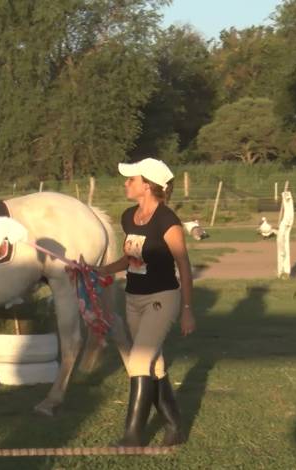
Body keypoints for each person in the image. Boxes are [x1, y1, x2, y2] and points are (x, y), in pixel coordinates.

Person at [98, 157, 196, 447]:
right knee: (153, 368)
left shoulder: (168, 221)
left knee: (139, 361)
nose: (126, 183)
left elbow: (184, 264)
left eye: (132, 179)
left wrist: (187, 310)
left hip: (161, 298)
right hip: (133, 299)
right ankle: (175, 428)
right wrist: (97, 270)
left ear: (148, 185)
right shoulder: (129, 216)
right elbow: (131, 258)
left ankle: (132, 437)